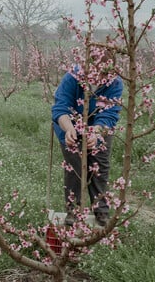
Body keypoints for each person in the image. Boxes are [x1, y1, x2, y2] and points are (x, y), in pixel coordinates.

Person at [51, 61, 123, 227]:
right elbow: (61, 108)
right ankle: (73, 210)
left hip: (100, 127)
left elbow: (110, 115)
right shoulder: (72, 77)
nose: (100, 78)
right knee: (74, 167)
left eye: (105, 74)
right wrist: (69, 129)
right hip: (69, 124)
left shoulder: (115, 82)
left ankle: (101, 210)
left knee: (100, 165)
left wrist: (96, 133)